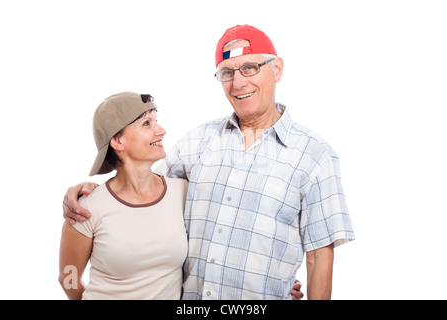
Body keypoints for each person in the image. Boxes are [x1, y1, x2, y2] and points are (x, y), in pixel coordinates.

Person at [63, 25, 355, 300]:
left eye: (250, 68)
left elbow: (319, 256)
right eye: (227, 73)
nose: (238, 82)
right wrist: (93, 191)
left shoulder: (315, 156)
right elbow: (141, 189)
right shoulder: (197, 143)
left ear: (276, 69)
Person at [58, 92, 188, 299]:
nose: (161, 131)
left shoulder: (182, 193)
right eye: (147, 123)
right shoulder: (86, 209)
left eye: (157, 121)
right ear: (118, 141)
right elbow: (68, 278)